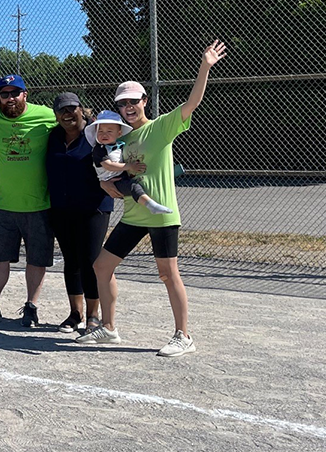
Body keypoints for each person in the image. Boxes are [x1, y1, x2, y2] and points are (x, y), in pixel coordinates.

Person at [77, 40, 227, 357]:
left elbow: (193, 102)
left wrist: (205, 66)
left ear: (145, 100)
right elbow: (108, 171)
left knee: (167, 274)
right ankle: (109, 328)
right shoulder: (119, 136)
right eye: (123, 103)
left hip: (161, 215)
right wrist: (106, 186)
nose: (129, 107)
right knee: (101, 267)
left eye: (134, 101)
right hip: (133, 215)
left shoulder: (161, 126)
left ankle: (183, 335)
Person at [0, 74, 57, 327]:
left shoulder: (46, 115)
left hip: (39, 205)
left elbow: (73, 124)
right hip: (4, 205)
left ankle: (31, 307)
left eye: (15, 93)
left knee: (36, 260)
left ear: (25, 94)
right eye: (4, 94)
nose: (10, 98)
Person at [45, 93, 111, 334]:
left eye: (72, 108)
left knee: (90, 261)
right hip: (61, 208)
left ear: (81, 110)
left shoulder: (95, 134)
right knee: (71, 260)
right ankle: (76, 314)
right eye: (62, 110)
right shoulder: (53, 137)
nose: (67, 114)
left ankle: (94, 315)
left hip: (94, 207)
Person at [86, 111, 172, 215]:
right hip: (111, 180)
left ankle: (150, 201)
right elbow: (109, 165)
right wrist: (129, 166)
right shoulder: (99, 149)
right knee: (133, 187)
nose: (104, 134)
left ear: (119, 133)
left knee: (142, 184)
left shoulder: (121, 145)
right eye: (100, 131)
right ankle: (151, 206)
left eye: (109, 131)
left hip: (122, 175)